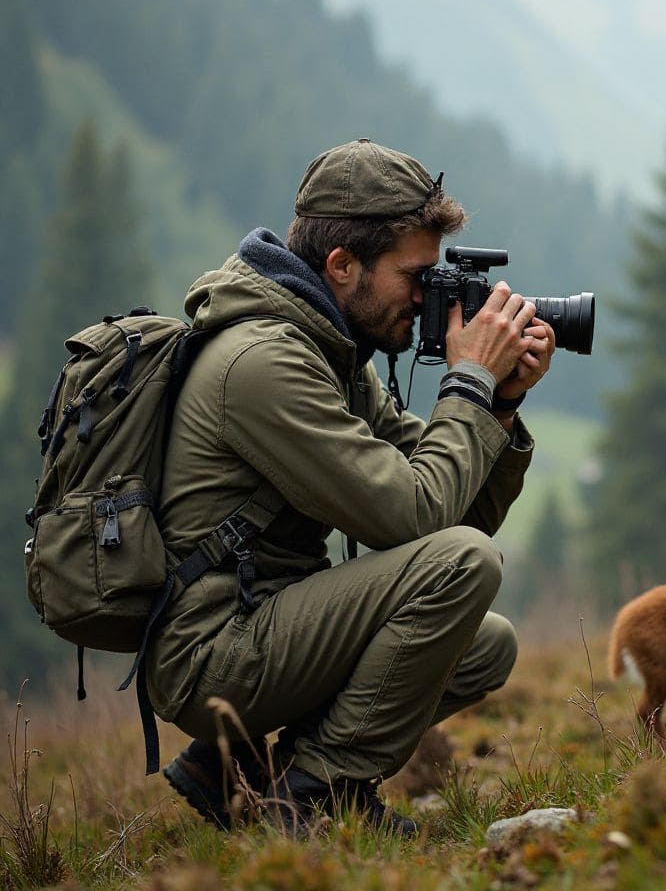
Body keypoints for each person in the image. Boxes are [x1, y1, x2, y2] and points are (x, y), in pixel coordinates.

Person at [149, 138, 556, 836]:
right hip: (212, 654)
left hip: (269, 626)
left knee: (485, 645)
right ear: (342, 266)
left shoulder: (332, 354)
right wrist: (468, 383)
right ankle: (314, 795)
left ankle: (240, 770)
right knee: (464, 566)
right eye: (416, 276)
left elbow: (454, 509)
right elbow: (414, 518)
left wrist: (501, 405)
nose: (428, 299)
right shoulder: (263, 363)